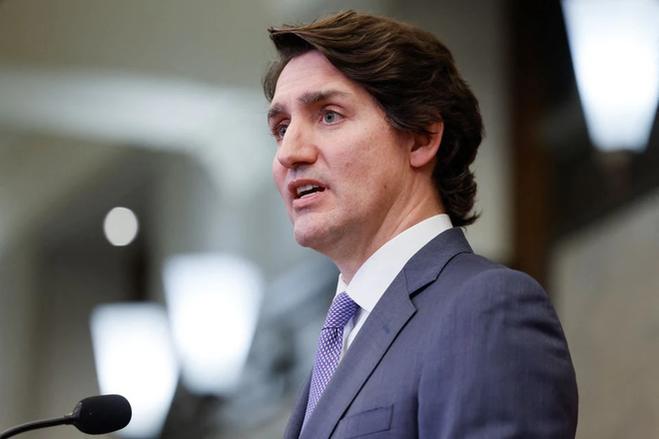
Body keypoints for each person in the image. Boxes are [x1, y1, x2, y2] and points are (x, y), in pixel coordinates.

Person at [263, 10, 578, 439]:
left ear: (422, 137)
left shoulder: (486, 308)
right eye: (282, 128)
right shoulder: (340, 335)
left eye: (329, 115)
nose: (289, 152)